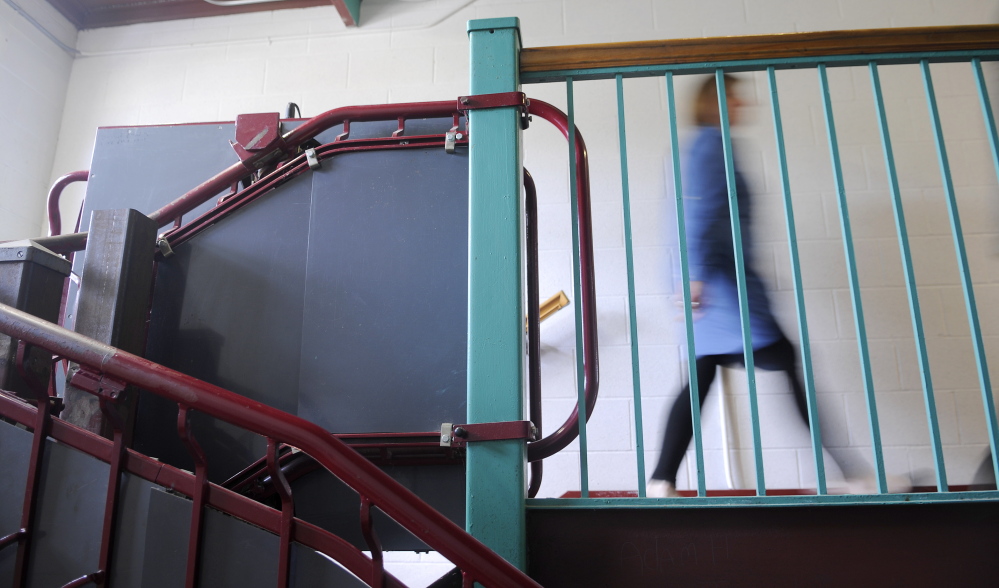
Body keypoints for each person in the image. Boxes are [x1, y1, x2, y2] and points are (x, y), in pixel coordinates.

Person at [647, 74, 812, 498]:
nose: (743, 104)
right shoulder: (711, 145)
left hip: (716, 286)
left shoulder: (710, 144)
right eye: (735, 97)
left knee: (701, 376)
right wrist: (696, 276)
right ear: (715, 102)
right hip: (720, 289)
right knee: (784, 357)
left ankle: (661, 480)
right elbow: (696, 215)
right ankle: (852, 475)